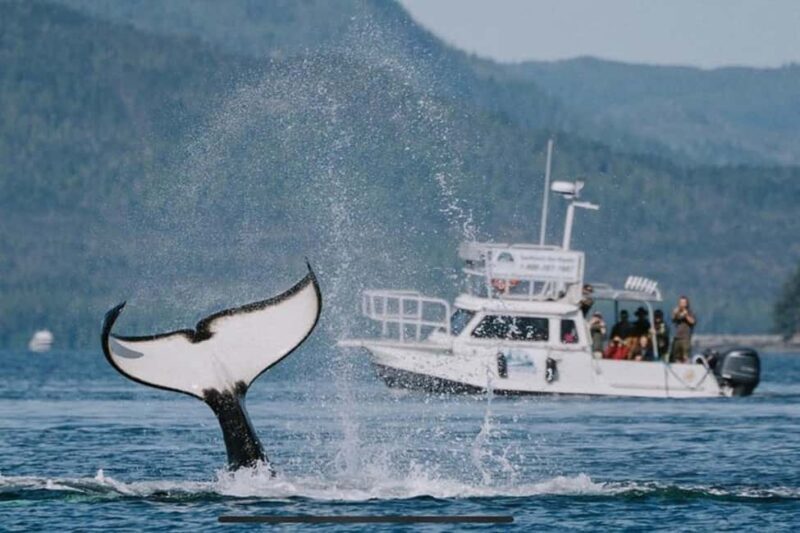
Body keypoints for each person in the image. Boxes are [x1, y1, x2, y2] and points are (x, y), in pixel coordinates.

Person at [670, 296, 696, 363]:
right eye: (681, 302)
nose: (682, 304)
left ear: (687, 303)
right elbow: (673, 320)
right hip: (677, 337)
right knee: (675, 356)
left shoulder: (690, 312)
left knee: (685, 356)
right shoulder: (677, 312)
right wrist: (674, 313)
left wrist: (686, 315)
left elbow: (693, 322)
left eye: (684, 302)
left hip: (685, 337)